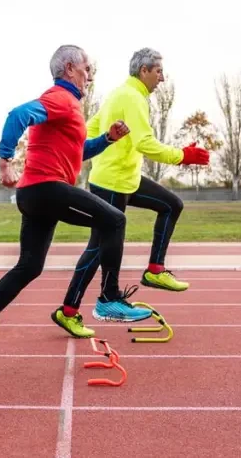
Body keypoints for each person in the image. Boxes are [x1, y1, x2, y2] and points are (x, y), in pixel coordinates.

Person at [0, 44, 153, 372]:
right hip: (46, 189)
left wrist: (107, 139)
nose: (90, 76)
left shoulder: (70, 107)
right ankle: (109, 299)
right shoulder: (60, 98)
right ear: (70, 69)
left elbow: (78, 151)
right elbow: (17, 115)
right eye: (87, 69)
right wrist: (5, 162)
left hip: (37, 194)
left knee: (30, 266)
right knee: (114, 220)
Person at [58, 48, 209, 322]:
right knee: (101, 246)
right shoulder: (132, 97)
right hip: (112, 182)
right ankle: (103, 301)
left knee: (171, 205)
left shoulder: (121, 94)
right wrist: (182, 156)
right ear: (144, 71)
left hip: (125, 179)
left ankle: (154, 269)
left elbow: (90, 128)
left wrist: (77, 144)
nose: (162, 78)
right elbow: (144, 142)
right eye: (159, 71)